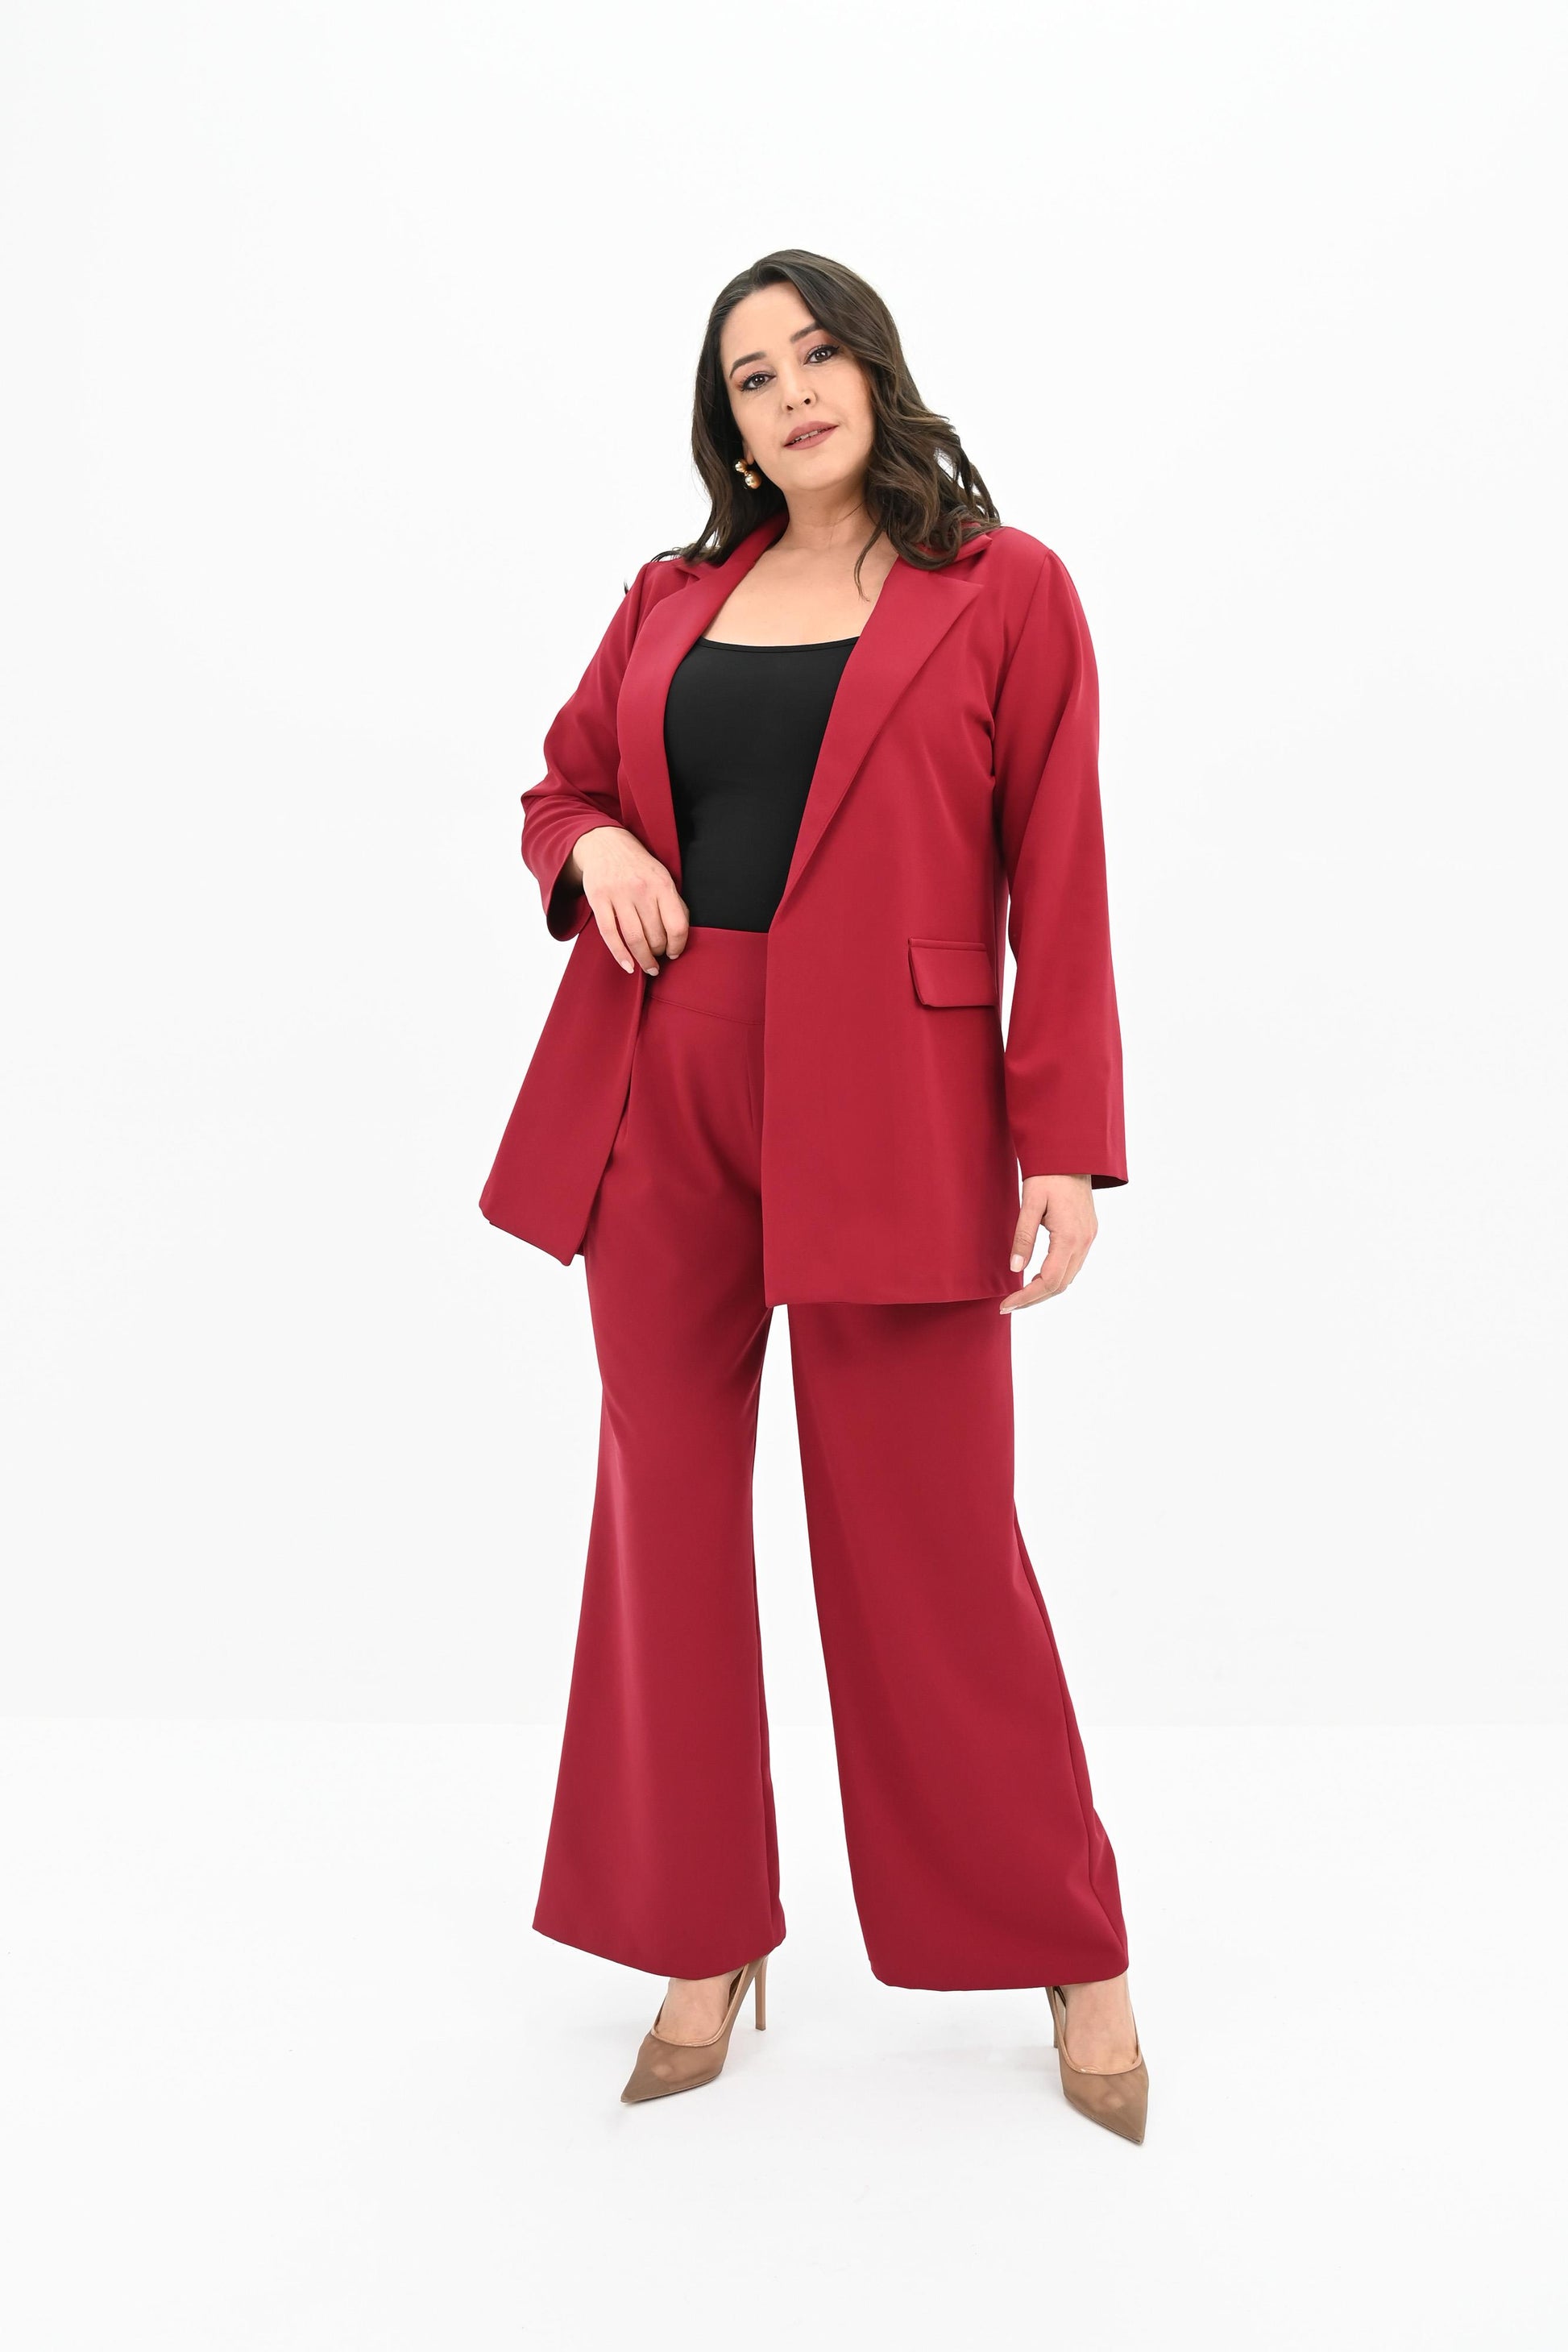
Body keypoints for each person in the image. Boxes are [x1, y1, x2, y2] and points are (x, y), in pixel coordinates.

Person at [479, 249, 1148, 2143]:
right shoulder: (669, 595)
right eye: (750, 374)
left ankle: (1067, 1943)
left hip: (897, 1104)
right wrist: (597, 844)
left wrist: (1062, 1140)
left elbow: (1062, 870)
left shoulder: (1004, 589)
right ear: (731, 425)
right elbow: (557, 787)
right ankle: (700, 1936)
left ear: (873, 366)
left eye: (814, 351)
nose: (790, 390)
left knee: (932, 1539)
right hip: (663, 1083)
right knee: (666, 1529)